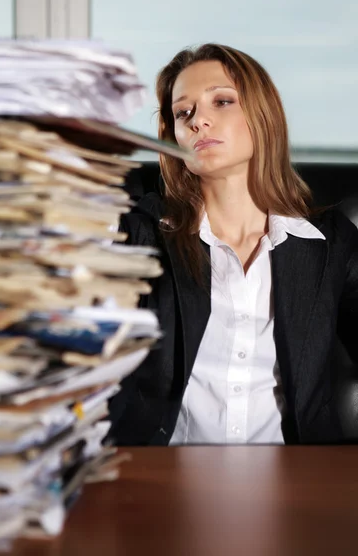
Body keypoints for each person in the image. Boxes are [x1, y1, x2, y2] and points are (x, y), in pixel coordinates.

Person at [108, 43, 358, 446]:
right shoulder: (141, 232)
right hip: (160, 476)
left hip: (297, 478)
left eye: (221, 101)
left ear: (263, 115)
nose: (198, 121)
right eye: (182, 113)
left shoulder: (330, 243)